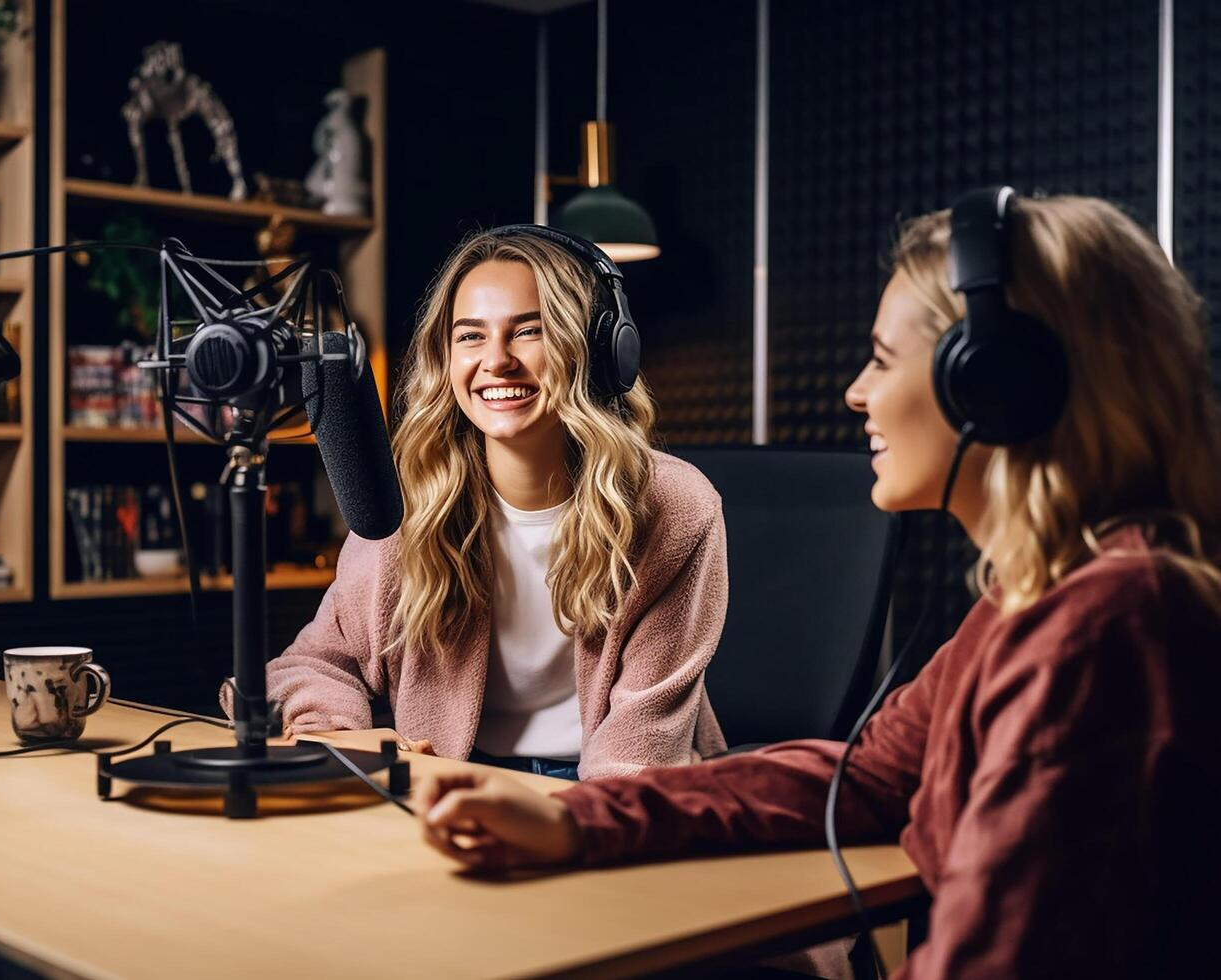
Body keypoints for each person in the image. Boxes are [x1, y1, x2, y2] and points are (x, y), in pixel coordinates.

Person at [414, 193, 1221, 977]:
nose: (856, 393)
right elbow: (866, 780)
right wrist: (576, 823)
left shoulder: (1106, 630)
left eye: (881, 360)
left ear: (992, 385)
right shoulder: (1038, 602)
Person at [223, 226, 728, 780]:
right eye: (470, 336)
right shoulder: (408, 506)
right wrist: (343, 739)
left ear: (599, 349)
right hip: (451, 775)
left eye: (529, 331)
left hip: (611, 788)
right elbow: (312, 664)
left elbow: (638, 751)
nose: (497, 361)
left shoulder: (673, 508)